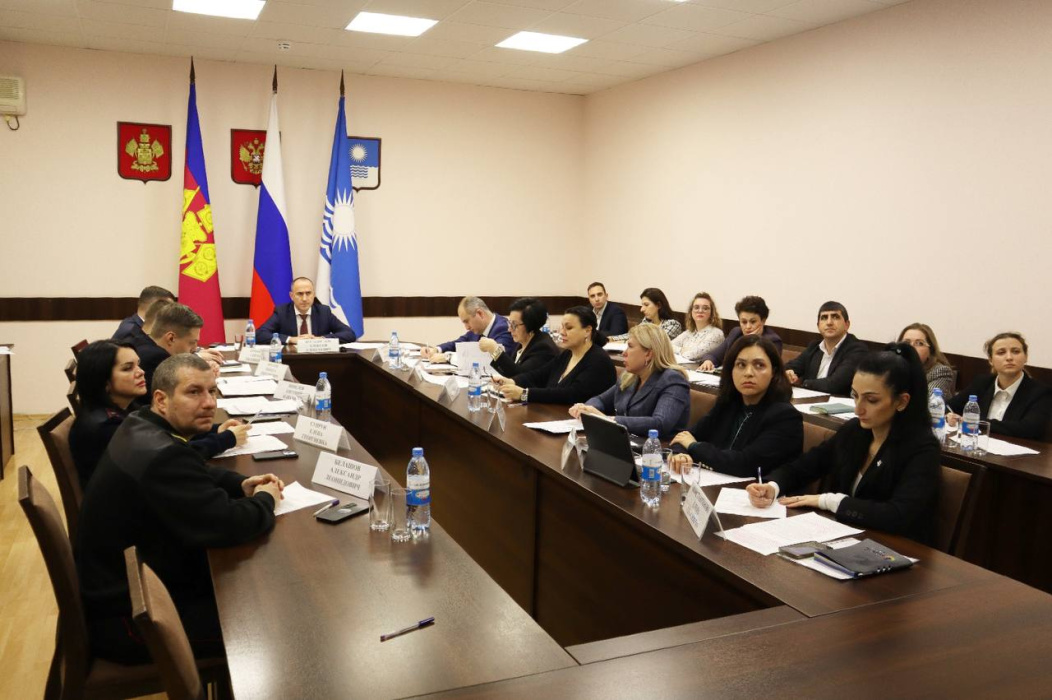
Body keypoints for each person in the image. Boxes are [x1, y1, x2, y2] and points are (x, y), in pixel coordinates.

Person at [76, 354, 284, 664]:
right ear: (161, 400)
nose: (209, 403)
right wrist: (266, 499)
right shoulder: (163, 456)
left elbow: (192, 466)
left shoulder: (140, 422)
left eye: (211, 391)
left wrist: (240, 484)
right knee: (271, 622)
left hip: (130, 587)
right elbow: (228, 524)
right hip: (133, 619)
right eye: (194, 392)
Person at [746, 343, 941, 545]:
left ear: (901, 402)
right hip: (844, 537)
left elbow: (898, 515)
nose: (858, 409)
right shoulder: (855, 431)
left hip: (894, 549)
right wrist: (773, 486)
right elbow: (806, 465)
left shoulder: (922, 448)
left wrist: (829, 501)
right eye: (855, 396)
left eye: (871, 400)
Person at [69, 341, 248, 490]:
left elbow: (168, 432)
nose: (141, 372)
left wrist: (215, 430)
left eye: (138, 364)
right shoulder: (106, 427)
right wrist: (225, 439)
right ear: (103, 380)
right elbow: (174, 458)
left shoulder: (126, 409)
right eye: (128, 368)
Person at [669, 336, 802, 477]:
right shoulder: (729, 403)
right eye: (741, 365)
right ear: (731, 370)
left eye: (759, 365)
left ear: (773, 372)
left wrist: (694, 446)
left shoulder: (785, 417)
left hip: (754, 489)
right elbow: (686, 436)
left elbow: (744, 464)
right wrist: (680, 454)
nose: (748, 373)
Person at [570, 323, 690, 439]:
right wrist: (586, 408)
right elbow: (600, 400)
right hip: (624, 442)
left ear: (648, 354)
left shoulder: (673, 380)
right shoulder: (629, 376)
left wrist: (608, 420)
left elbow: (660, 424)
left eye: (630, 346)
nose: (624, 353)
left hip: (659, 448)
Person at [498, 306, 616, 405]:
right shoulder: (567, 354)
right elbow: (540, 375)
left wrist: (525, 394)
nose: (562, 332)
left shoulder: (599, 361)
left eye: (568, 328)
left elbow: (572, 394)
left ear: (587, 331)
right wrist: (512, 381)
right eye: (562, 327)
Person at [946, 332, 1052, 440]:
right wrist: (949, 415)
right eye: (1001, 352)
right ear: (991, 360)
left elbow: (1030, 428)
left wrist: (977, 422)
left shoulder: (1040, 392)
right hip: (977, 445)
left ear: (1026, 357)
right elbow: (948, 406)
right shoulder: (982, 383)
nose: (1009, 357)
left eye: (1016, 351)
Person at [784, 301, 868, 396]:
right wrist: (788, 373)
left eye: (835, 317)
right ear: (818, 326)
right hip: (809, 400)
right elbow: (790, 367)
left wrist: (804, 384)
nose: (829, 323)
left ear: (847, 325)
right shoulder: (814, 347)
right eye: (824, 318)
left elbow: (836, 384)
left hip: (839, 403)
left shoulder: (857, 350)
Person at [256, 277, 357, 345]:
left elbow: (349, 334)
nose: (304, 299)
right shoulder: (282, 312)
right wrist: (291, 339)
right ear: (291, 296)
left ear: (314, 294)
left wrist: (321, 339)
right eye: (300, 294)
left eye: (308, 293)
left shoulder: (323, 312)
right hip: (291, 360)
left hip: (319, 359)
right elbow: (259, 334)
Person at [137, 303, 212, 391]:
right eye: (192, 342)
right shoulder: (158, 359)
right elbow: (181, 394)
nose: (195, 348)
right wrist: (208, 377)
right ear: (171, 338)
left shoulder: (142, 341)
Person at [478, 297, 558, 378]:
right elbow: (511, 370)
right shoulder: (522, 343)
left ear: (530, 325)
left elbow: (519, 377)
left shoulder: (543, 348)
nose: (509, 329)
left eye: (514, 325)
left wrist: (495, 350)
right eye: (509, 323)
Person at [698, 295, 782, 370]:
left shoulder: (773, 341)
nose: (748, 326)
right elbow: (713, 355)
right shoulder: (736, 333)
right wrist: (708, 361)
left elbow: (760, 368)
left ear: (763, 321)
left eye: (753, 322)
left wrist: (750, 341)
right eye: (744, 322)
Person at [421, 296, 515, 362]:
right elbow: (458, 344)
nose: (466, 327)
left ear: (480, 314)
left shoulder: (504, 328)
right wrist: (436, 349)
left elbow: (488, 360)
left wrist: (448, 357)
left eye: (467, 321)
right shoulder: (478, 329)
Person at [898, 323, 955, 395]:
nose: (911, 347)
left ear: (930, 351)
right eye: (906, 342)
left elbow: (927, 400)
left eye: (919, 343)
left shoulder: (939, 372)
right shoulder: (892, 367)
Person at [607, 288, 683, 342]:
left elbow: (653, 342)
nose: (642, 309)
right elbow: (632, 335)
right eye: (642, 305)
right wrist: (612, 338)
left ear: (659, 305)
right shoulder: (647, 321)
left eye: (646, 305)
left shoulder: (673, 325)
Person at [671, 292, 725, 362]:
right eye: (696, 307)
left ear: (712, 312)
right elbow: (668, 346)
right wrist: (682, 350)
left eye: (705, 308)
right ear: (691, 311)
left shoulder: (717, 333)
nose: (700, 311)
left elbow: (690, 355)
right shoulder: (689, 332)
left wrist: (682, 350)